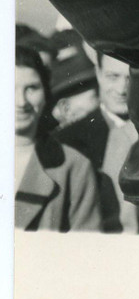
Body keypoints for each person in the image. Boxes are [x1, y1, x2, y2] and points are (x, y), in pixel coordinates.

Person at [15, 45, 101, 232]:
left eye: (32, 88)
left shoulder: (73, 166)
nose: (21, 102)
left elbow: (86, 244)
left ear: (45, 94)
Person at [55, 49, 138, 232]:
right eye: (112, 77)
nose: (121, 89)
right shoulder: (67, 140)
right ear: (98, 74)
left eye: (130, 78)